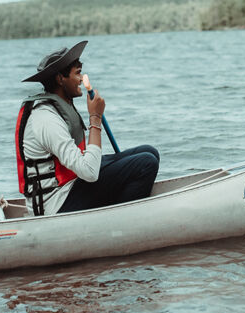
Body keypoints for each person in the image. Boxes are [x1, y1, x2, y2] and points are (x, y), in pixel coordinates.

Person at [15, 41, 159, 216]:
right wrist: (95, 118)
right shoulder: (46, 119)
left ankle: (120, 205)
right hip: (55, 204)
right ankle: (122, 221)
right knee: (145, 163)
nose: (83, 79)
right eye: (78, 74)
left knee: (150, 152)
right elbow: (89, 172)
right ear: (61, 79)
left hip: (71, 185)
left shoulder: (57, 107)